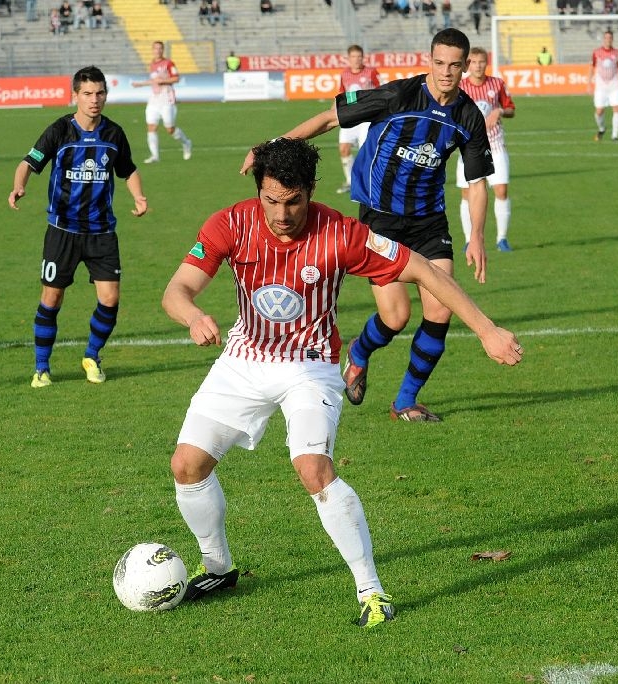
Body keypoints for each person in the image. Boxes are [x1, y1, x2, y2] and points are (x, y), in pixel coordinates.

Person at [164, 137, 523, 627]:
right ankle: (218, 567)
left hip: (309, 365)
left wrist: (486, 329)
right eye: (271, 199)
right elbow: (177, 289)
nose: (283, 213)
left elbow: (422, 271)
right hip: (243, 360)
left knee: (313, 468)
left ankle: (371, 591)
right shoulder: (230, 222)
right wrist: (191, 316)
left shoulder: (342, 232)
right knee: (186, 466)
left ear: (310, 190)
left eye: (293, 201)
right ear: (258, 191)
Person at [242, 29, 493, 422]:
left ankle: (405, 401)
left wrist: (477, 235)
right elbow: (329, 119)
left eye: (455, 65)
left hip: (429, 221)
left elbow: (477, 183)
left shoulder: (468, 117)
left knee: (441, 310)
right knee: (396, 317)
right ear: (430, 60)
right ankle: (360, 352)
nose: (447, 72)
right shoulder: (397, 95)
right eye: (440, 63)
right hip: (380, 218)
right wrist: (269, 149)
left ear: (465, 66)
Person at [8, 66, 148, 388]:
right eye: (87, 93)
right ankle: (42, 367)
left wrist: (139, 196)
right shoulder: (59, 130)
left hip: (102, 233)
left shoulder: (114, 134)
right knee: (52, 299)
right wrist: (19, 186)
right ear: (75, 96)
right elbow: (28, 163)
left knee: (110, 299)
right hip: (63, 231)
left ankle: (92, 355)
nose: (94, 100)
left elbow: (129, 170)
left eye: (100, 93)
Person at [456, 46, 515, 252]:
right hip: (469, 148)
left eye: (482, 62)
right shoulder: (460, 86)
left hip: (496, 145)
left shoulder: (497, 84)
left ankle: (502, 238)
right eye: (474, 62)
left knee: (501, 190)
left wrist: (499, 110)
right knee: (467, 194)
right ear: (467, 64)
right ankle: (467, 239)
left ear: (486, 63)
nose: (478, 66)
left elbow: (511, 109)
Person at [130, 41, 193, 164]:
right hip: (154, 98)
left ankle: (186, 142)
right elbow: (154, 81)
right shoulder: (152, 64)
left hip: (166, 98)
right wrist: (140, 84)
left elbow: (176, 78)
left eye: (160, 48)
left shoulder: (168, 63)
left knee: (170, 129)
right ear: (152, 50)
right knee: (151, 126)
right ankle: (155, 156)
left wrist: (163, 80)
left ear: (163, 50)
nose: (158, 51)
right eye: (156, 48)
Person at [335, 45, 380, 195]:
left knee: (365, 151)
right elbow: (341, 95)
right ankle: (350, 181)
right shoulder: (344, 75)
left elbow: (381, 91)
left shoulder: (371, 72)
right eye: (353, 57)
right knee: (343, 149)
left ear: (363, 57)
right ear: (348, 58)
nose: (356, 60)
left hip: (366, 118)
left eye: (359, 56)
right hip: (350, 116)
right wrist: (333, 112)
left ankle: (368, 181)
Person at [588, 30, 618, 142]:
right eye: (606, 38)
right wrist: (589, 84)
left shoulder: (617, 53)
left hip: (614, 85)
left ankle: (615, 136)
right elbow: (592, 68)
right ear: (603, 39)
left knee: (617, 108)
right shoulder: (596, 53)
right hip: (601, 87)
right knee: (599, 111)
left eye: (610, 38)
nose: (608, 40)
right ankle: (602, 128)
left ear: (612, 39)